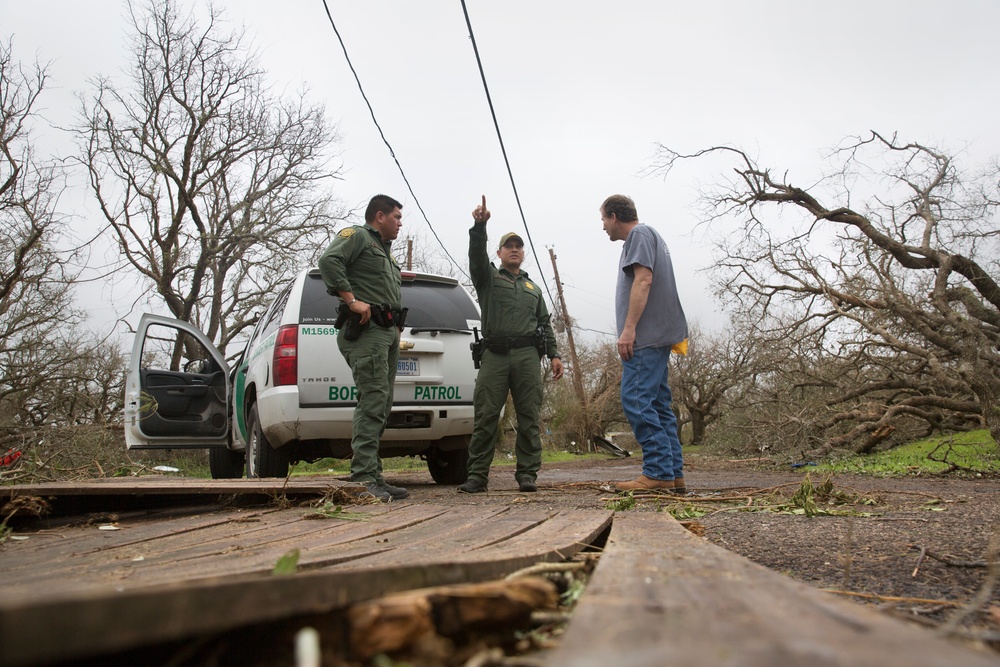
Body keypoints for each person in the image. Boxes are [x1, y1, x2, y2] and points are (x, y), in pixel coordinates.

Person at [459, 195, 564, 494]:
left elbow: (544, 323)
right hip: (495, 354)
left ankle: (527, 474)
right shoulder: (488, 278)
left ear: (523, 253)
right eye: (509, 246)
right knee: (487, 416)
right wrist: (480, 226)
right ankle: (477, 475)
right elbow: (476, 256)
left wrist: (554, 355)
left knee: (530, 415)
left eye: (519, 246)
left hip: (528, 356)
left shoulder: (533, 288)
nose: (515, 249)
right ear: (500, 252)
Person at [318, 194, 409, 502]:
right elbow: (329, 261)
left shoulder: (387, 253)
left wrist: (396, 324)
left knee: (381, 405)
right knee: (372, 401)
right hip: (367, 332)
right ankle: (363, 479)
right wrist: (352, 300)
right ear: (380, 216)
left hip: (387, 333)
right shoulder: (356, 235)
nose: (400, 223)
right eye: (396, 217)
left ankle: (375, 476)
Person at [601, 194, 689, 494]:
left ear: (614, 216)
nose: (603, 227)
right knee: (659, 406)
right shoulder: (653, 235)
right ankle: (672, 474)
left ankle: (657, 472)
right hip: (660, 335)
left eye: (603, 220)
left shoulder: (638, 235)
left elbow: (643, 280)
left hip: (646, 337)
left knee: (637, 400)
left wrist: (628, 330)